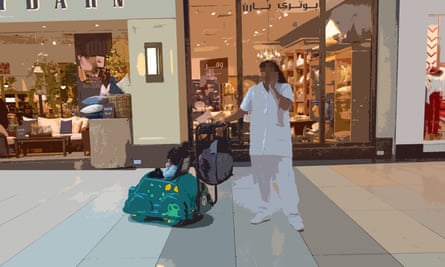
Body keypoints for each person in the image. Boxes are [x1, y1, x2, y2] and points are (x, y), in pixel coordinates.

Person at [223, 60, 304, 231]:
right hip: (259, 145)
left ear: (276, 73)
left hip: (280, 145)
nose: (265, 75)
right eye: (263, 72)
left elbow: (286, 105)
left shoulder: (284, 88)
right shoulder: (254, 91)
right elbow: (242, 111)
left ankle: (293, 215)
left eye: (269, 72)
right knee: (262, 181)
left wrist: (273, 89)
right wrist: (224, 120)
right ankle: (263, 210)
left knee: (286, 180)